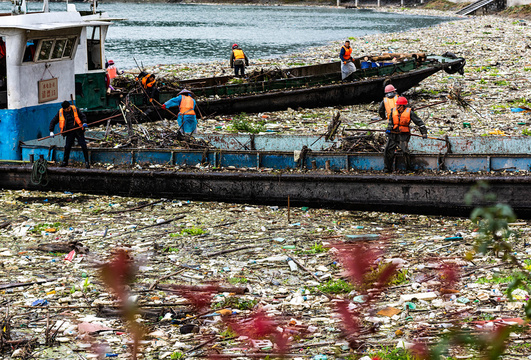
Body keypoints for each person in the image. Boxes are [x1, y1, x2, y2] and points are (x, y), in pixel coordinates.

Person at [383, 96, 427, 173]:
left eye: (398, 106)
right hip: (393, 135)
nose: (396, 107)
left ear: (402, 106)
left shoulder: (410, 113)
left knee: (405, 151)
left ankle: (408, 168)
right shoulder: (393, 111)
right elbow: (390, 122)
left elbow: (419, 123)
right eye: (396, 105)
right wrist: (388, 129)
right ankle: (387, 169)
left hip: (403, 135)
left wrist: (424, 132)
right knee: (387, 151)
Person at [49, 100, 90, 168]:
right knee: (67, 147)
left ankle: (87, 162)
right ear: (64, 109)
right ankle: (65, 162)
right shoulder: (60, 113)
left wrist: (84, 122)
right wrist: (51, 131)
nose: (69, 109)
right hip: (69, 132)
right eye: (67, 109)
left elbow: (83, 116)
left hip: (78, 130)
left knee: (83, 145)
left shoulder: (75, 109)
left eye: (69, 107)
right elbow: (53, 121)